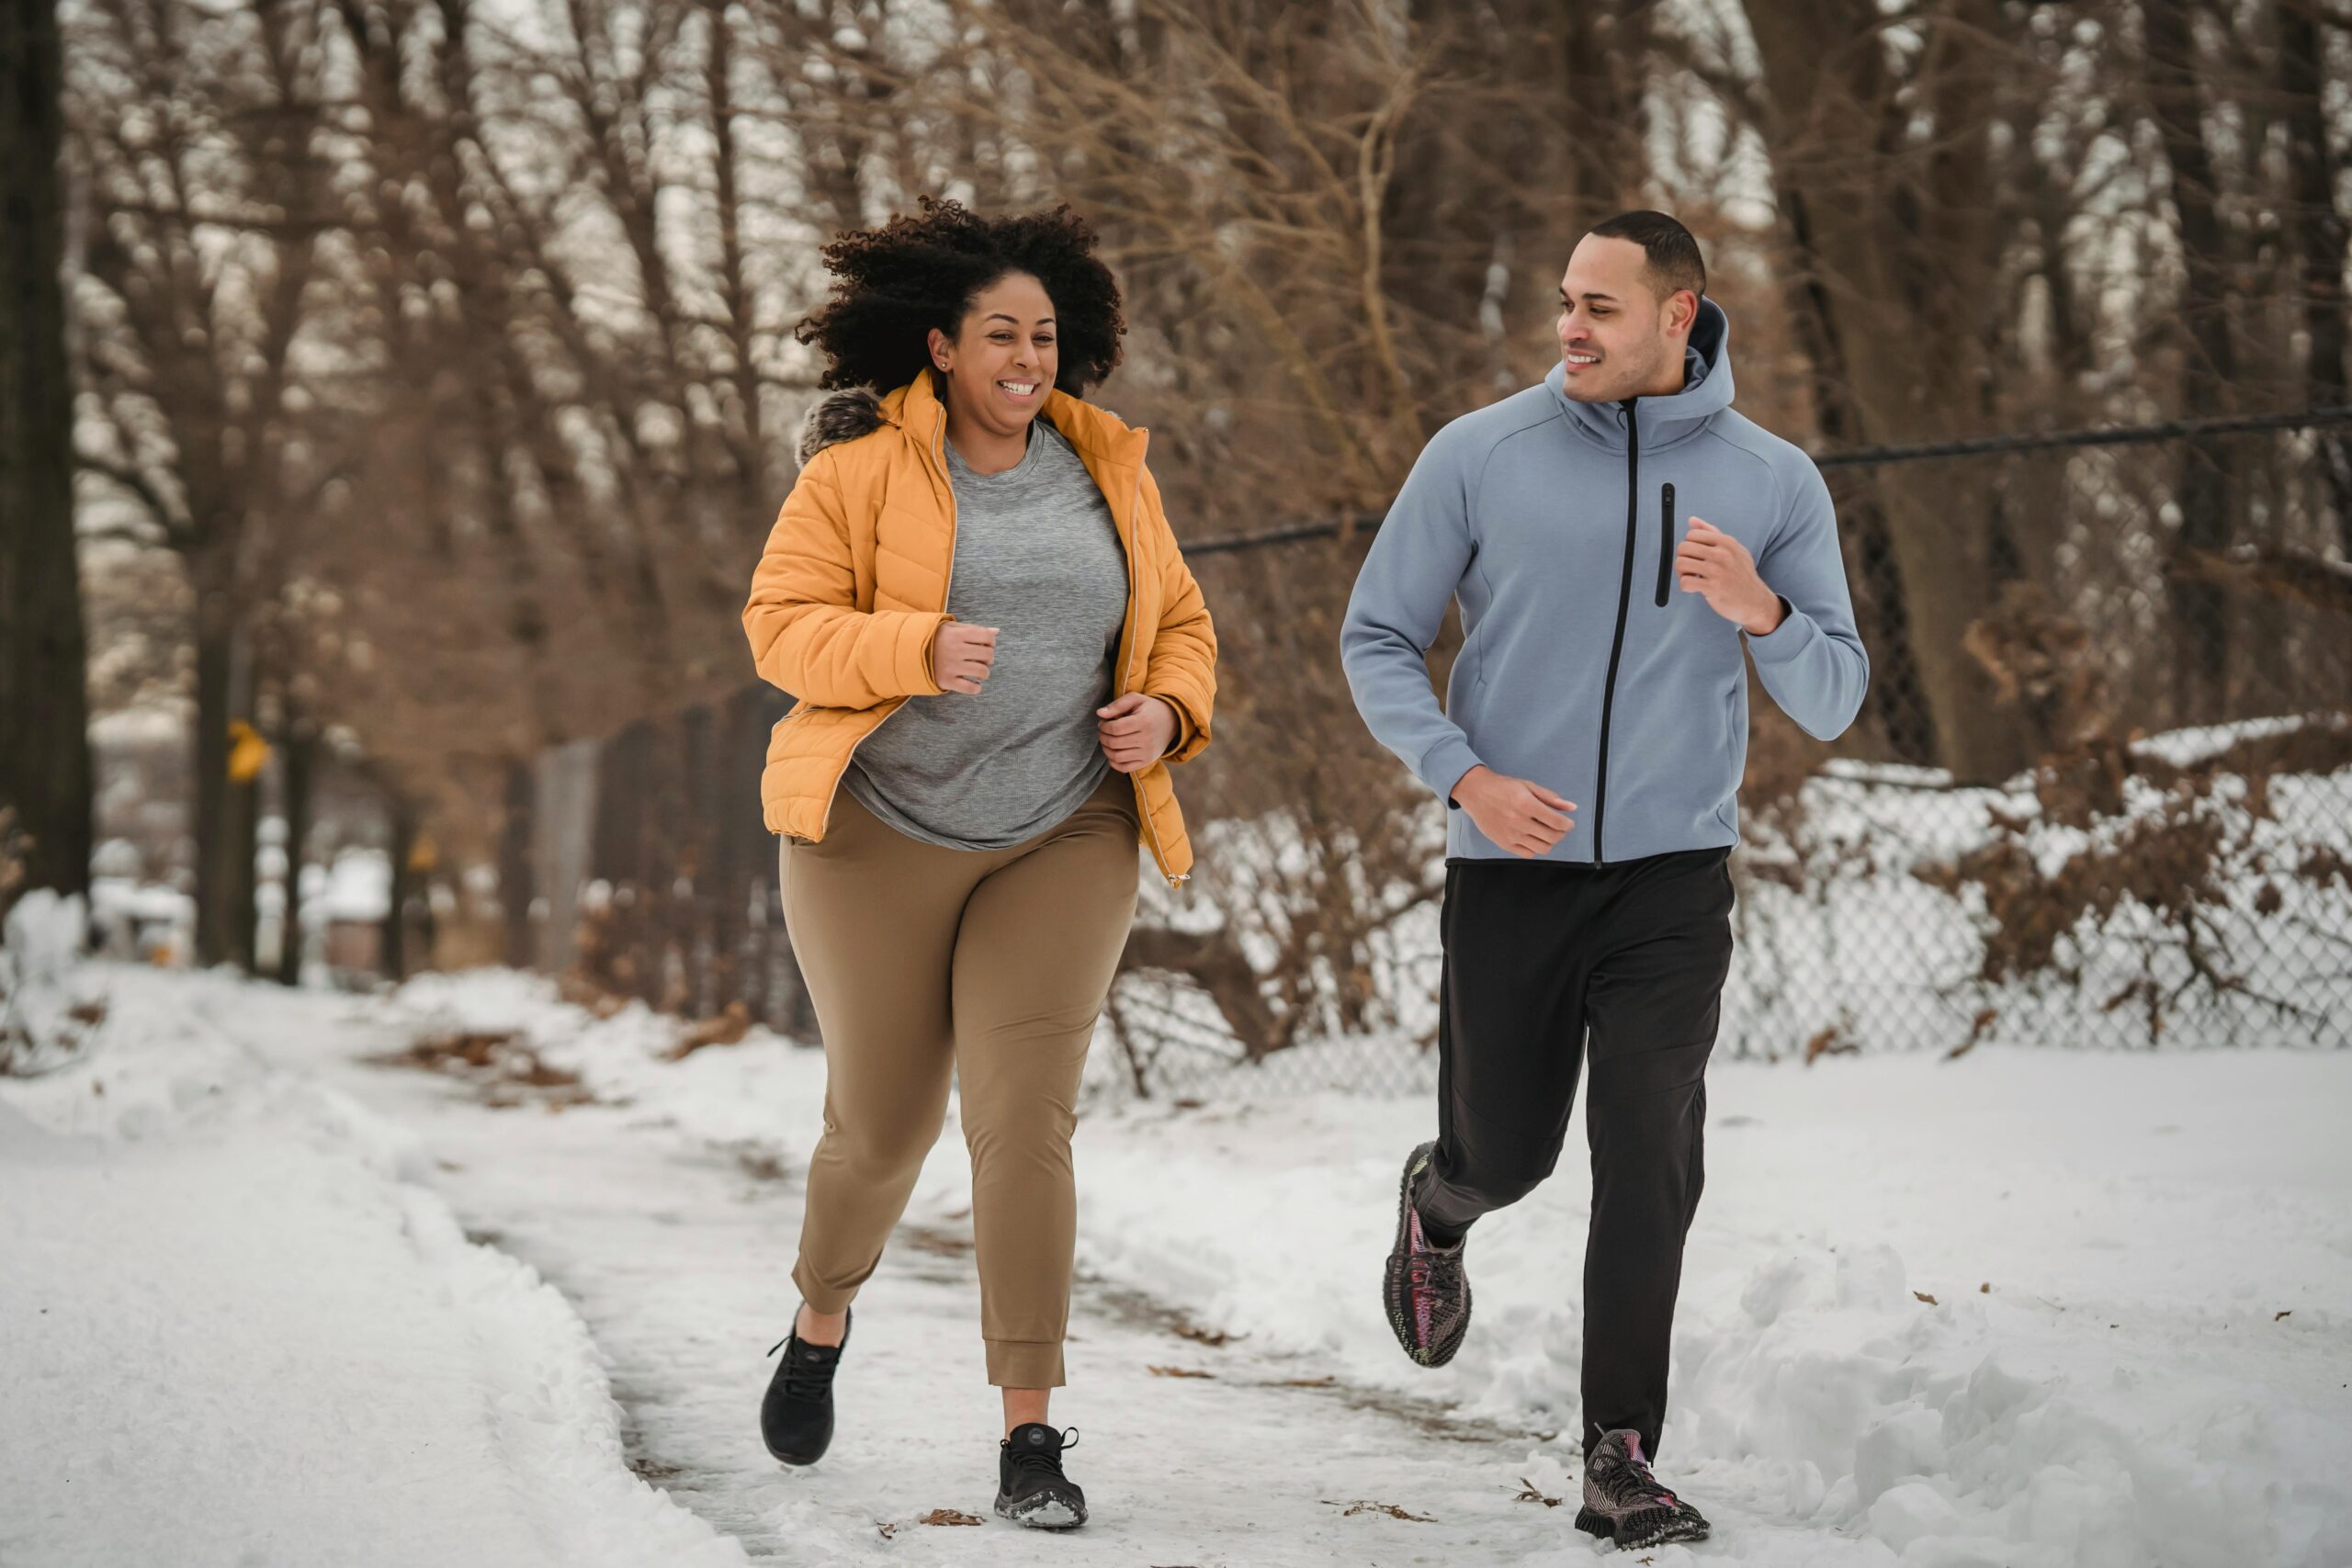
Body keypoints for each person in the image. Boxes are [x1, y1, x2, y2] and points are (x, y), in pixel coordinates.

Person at [1340, 209, 1868, 1550]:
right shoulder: (1480, 455)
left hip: (1673, 878)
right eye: (1565, 302)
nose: (1570, 327)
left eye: (1602, 307)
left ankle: (1618, 1452)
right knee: (1509, 1154)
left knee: (1648, 1158)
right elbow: (1379, 637)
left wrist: (1765, 614)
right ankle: (1439, 1203)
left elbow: (1839, 693)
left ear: (1679, 315)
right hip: (1510, 867)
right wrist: (1466, 777)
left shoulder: (1772, 481)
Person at [741, 197, 1216, 1529]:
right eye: (1000, 333)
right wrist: (909, 648)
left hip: (1065, 828)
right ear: (940, 346)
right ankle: (821, 1320)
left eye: (1046, 335)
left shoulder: (1109, 469)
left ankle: (1030, 1438)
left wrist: (1167, 712)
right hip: (874, 833)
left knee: (1022, 1125)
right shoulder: (853, 475)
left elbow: (1179, 622)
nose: (1027, 356)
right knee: (882, 1129)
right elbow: (780, 630)